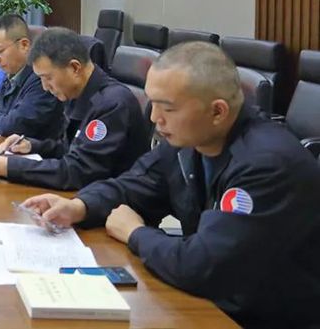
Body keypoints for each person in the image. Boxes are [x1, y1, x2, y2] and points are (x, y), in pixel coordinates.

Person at [22, 42, 320, 328]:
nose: (155, 118)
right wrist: (79, 206)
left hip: (261, 317)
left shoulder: (266, 164)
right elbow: (133, 185)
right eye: (152, 103)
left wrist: (135, 233)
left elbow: (202, 266)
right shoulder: (189, 142)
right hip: (211, 303)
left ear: (218, 112)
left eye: (168, 108)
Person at [0, 27, 149, 188]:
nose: (45, 87)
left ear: (74, 68)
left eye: (48, 78)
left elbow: (79, 171)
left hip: (113, 207)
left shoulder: (112, 104)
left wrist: (6, 167)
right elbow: (70, 149)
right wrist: (33, 145)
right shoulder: (76, 92)